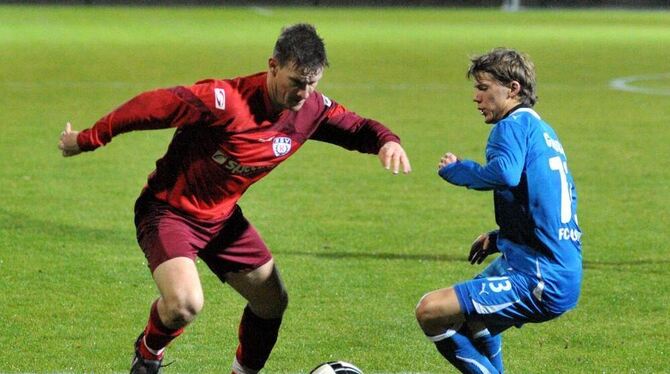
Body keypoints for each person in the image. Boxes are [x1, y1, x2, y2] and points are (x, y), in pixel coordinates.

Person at [58, 23, 411, 374]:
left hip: (222, 220)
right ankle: (149, 352)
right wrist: (88, 139)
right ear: (273, 66)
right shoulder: (224, 100)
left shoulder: (311, 109)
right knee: (184, 304)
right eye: (296, 82)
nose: (304, 93)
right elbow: (150, 106)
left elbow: (359, 128)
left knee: (271, 302)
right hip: (169, 212)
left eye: (312, 84)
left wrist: (387, 140)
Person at [415, 48, 582, 373]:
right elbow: (546, 199)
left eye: (483, 87)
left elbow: (504, 173)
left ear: (513, 89)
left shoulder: (510, 127)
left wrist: (460, 171)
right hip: (555, 264)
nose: (476, 98)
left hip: (539, 275)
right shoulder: (543, 132)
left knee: (431, 311)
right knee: (474, 325)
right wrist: (500, 237)